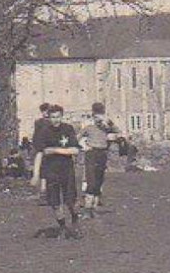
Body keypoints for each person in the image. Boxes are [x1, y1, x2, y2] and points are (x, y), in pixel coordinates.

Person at [36, 104, 83, 238]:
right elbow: (40, 151)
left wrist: (55, 150)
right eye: (53, 117)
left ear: (62, 117)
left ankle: (75, 221)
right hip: (51, 170)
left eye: (58, 117)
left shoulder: (68, 129)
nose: (55, 120)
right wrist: (36, 175)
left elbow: (75, 150)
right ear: (48, 118)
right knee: (55, 203)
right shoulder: (44, 131)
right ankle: (62, 227)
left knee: (71, 201)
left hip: (66, 169)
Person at [80, 102, 123, 212]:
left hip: (102, 153)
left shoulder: (106, 126)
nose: (98, 118)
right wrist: (84, 146)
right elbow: (77, 137)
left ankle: (95, 204)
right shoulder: (88, 125)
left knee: (99, 178)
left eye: (101, 114)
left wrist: (109, 123)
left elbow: (119, 133)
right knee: (91, 179)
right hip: (91, 153)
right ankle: (87, 206)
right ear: (93, 115)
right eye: (96, 115)